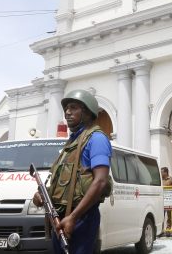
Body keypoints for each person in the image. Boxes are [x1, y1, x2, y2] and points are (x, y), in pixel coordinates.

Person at [33, 89, 112, 254]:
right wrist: (43, 194)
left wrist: (73, 218)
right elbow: (66, 181)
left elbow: (100, 181)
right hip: (61, 218)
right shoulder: (72, 143)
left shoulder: (96, 139)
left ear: (88, 111)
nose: (67, 112)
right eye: (66, 108)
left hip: (81, 217)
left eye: (73, 107)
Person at [161, 167, 172, 231]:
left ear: (166, 172)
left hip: (169, 200)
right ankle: (161, 229)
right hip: (161, 200)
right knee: (161, 215)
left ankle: (168, 229)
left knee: (169, 215)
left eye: (162, 172)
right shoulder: (160, 179)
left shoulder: (171, 179)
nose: (161, 173)